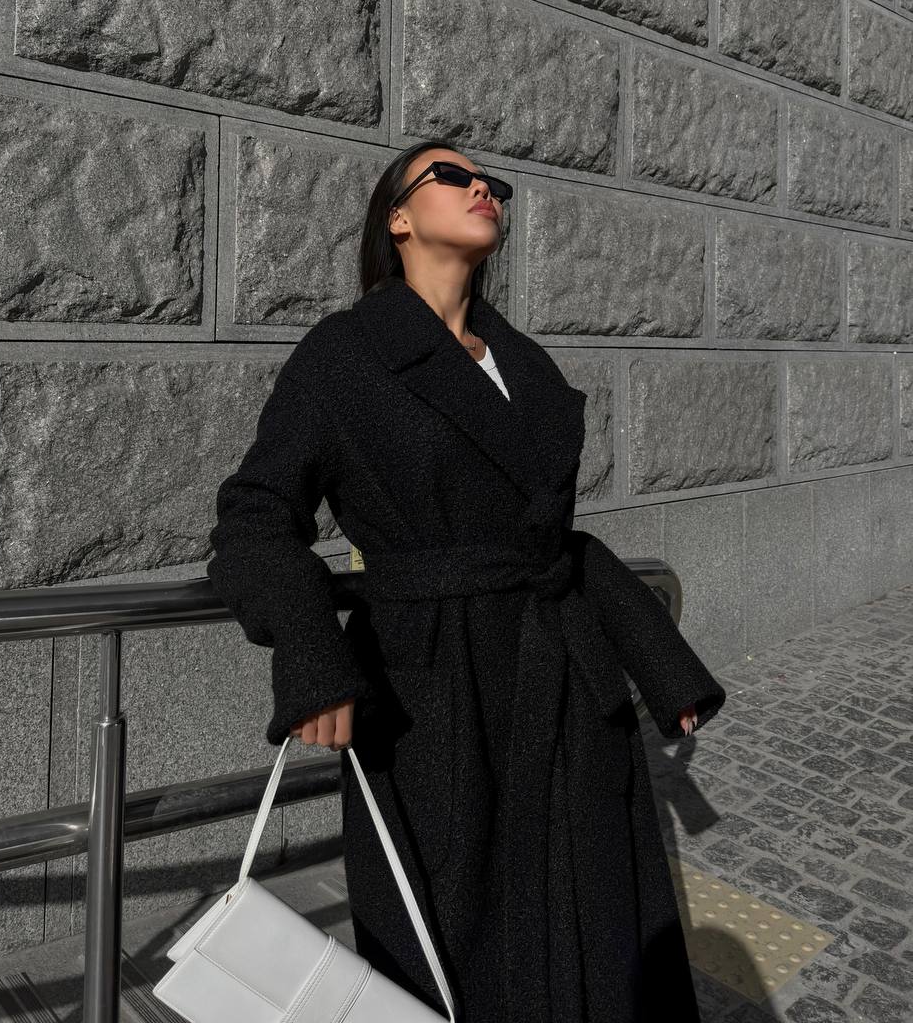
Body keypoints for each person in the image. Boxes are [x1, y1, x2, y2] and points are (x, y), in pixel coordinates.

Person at [206, 137, 727, 1022]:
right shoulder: (344, 357)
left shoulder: (524, 365)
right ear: (398, 218)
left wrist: (657, 657)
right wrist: (309, 655)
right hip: (432, 695)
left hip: (562, 684)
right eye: (453, 175)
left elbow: (556, 547)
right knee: (457, 934)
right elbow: (255, 516)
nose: (482, 185)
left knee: (595, 907)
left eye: (491, 181)